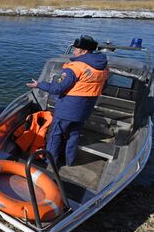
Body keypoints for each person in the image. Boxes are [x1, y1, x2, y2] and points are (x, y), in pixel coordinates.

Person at [26, 35, 108, 167]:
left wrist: (39, 85)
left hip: (68, 109)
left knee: (55, 135)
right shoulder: (103, 68)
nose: (74, 52)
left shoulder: (76, 67)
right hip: (85, 109)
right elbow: (103, 86)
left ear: (84, 51)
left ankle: (50, 163)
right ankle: (70, 161)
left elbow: (58, 88)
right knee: (74, 134)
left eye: (76, 49)